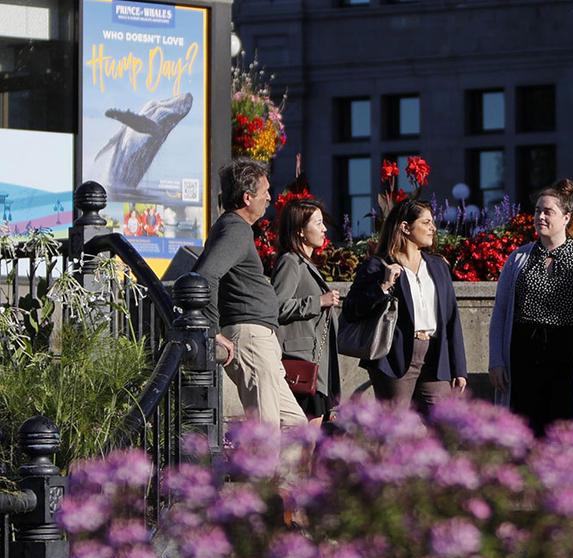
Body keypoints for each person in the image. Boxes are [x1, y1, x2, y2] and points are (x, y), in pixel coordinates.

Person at [487, 179, 573, 434]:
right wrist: (496, 360)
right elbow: (500, 312)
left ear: (566, 217)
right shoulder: (518, 259)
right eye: (537, 211)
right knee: (524, 427)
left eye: (548, 212)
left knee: (565, 426)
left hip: (568, 352)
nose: (540, 217)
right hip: (524, 352)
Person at [190, 159, 309, 430]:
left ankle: (281, 475)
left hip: (258, 339)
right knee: (266, 432)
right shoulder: (235, 229)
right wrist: (211, 329)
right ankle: (260, 474)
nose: (270, 197)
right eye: (265, 191)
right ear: (247, 197)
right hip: (250, 338)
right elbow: (205, 276)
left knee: (294, 424)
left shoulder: (234, 228)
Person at [343, 199, 468, 409]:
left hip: (435, 356)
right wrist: (383, 286)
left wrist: (459, 369)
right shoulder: (378, 265)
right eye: (426, 222)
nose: (433, 228)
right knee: (395, 430)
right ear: (405, 227)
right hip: (394, 357)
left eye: (432, 222)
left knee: (444, 427)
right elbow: (352, 309)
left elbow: (452, 318)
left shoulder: (438, 266)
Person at [271, 198, 342, 426]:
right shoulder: (291, 262)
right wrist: (318, 301)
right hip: (300, 362)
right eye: (318, 223)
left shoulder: (306, 263)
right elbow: (277, 307)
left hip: (315, 362)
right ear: (301, 231)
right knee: (305, 437)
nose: (324, 229)